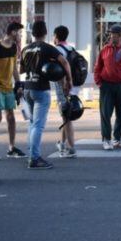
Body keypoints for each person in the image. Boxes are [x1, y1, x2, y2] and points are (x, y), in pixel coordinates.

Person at [20, 20, 73, 169]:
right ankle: (35, 159)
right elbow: (65, 62)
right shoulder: (47, 48)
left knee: (32, 123)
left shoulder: (25, 49)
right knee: (38, 125)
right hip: (41, 88)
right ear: (45, 33)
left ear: (33, 33)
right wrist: (69, 80)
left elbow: (22, 70)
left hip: (28, 88)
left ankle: (31, 154)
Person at [0, 21, 25, 160]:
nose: (20, 35)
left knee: (11, 118)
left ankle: (11, 148)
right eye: (19, 32)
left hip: (8, 88)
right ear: (13, 32)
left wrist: (19, 84)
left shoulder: (14, 47)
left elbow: (14, 68)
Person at [53, 25, 79, 158]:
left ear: (56, 36)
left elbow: (60, 69)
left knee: (67, 116)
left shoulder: (57, 50)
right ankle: (62, 143)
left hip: (63, 86)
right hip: (73, 86)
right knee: (66, 114)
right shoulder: (70, 48)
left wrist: (65, 83)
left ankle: (71, 147)